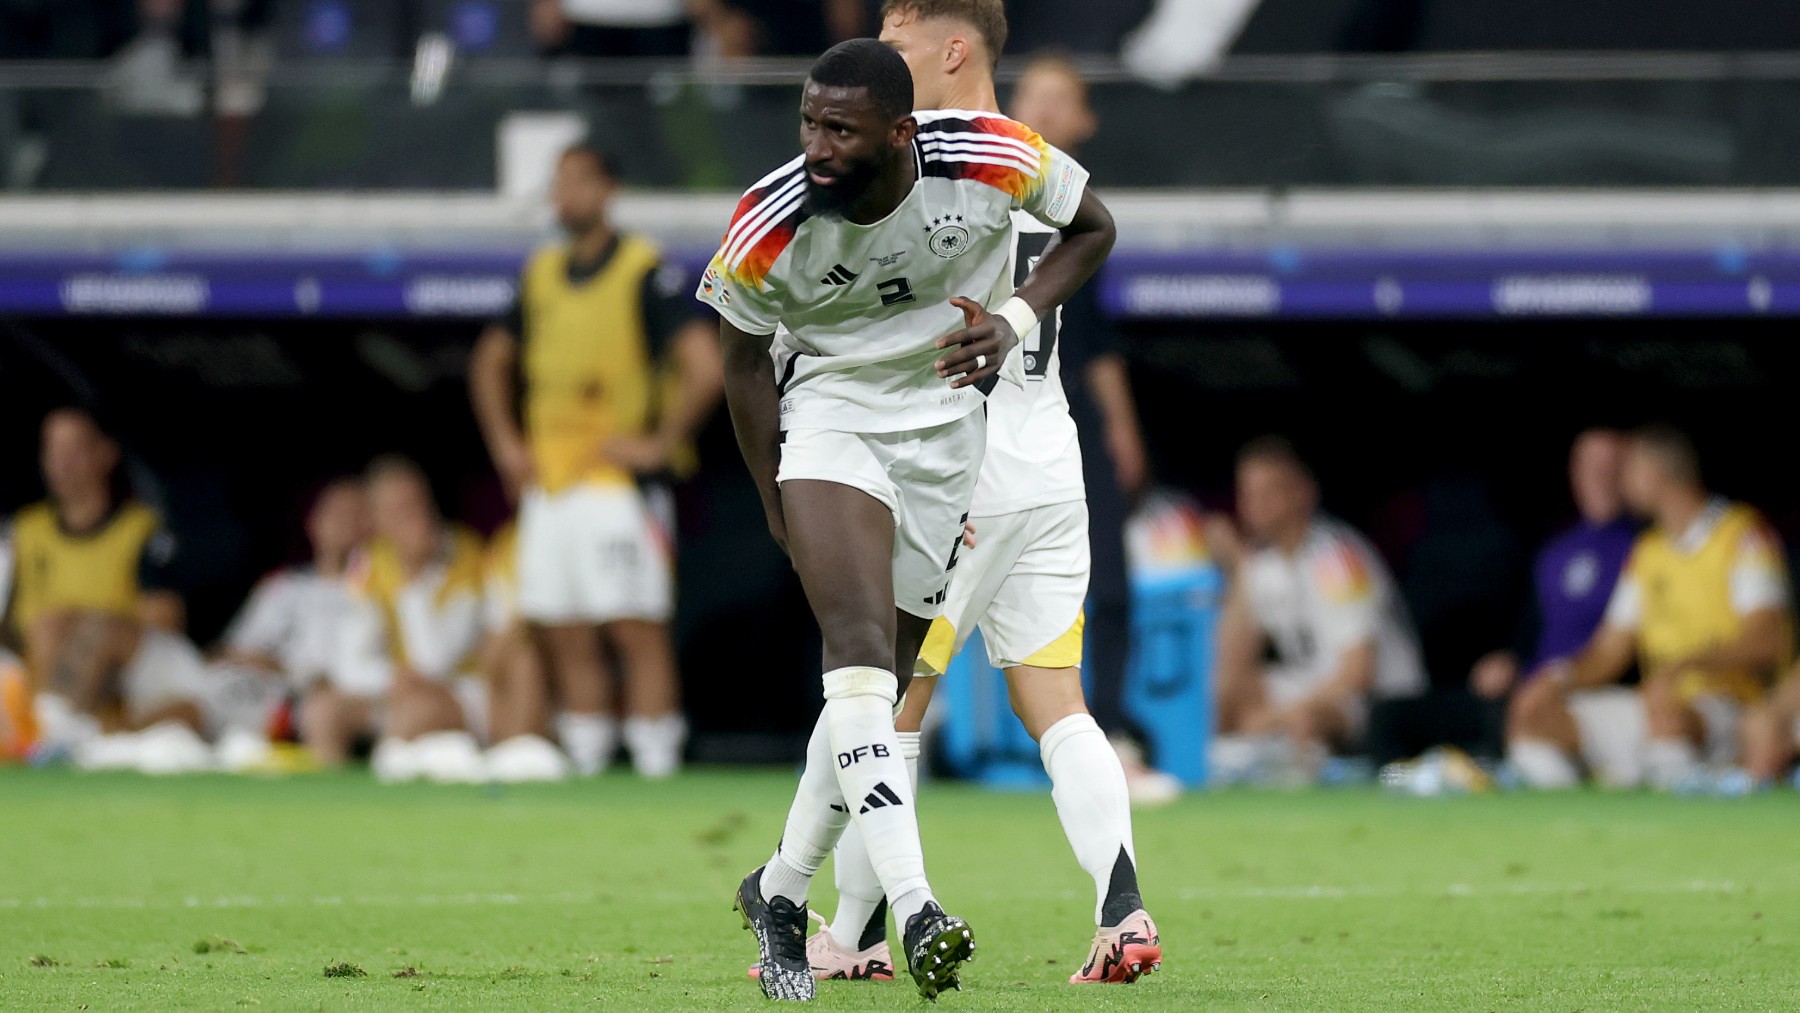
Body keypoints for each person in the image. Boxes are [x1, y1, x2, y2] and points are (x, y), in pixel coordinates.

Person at [696, 38, 1114, 1001]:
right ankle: (919, 904)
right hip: (831, 416)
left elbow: (1094, 228)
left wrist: (1011, 318)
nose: (817, 147)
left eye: (839, 129)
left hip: (943, 431)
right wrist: (775, 500)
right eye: (808, 123)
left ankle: (780, 885)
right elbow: (742, 363)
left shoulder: (992, 154)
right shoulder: (767, 220)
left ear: (899, 131)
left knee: (878, 689)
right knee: (859, 653)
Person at [779, 4, 1159, 990]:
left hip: (962, 467)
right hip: (1050, 461)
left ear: (953, 51)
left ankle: (850, 929)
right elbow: (1090, 238)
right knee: (1058, 705)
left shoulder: (932, 163)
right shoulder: (1038, 162)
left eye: (900, 48)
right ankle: (1123, 906)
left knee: (882, 703)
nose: (885, 68)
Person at [471, 142, 721, 780]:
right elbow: (489, 361)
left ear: (609, 189)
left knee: (633, 625)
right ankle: (587, 759)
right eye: (558, 183)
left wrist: (659, 443)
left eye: (580, 181)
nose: (566, 196)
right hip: (550, 484)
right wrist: (507, 444)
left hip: (616, 483)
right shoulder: (541, 274)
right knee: (563, 627)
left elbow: (704, 364)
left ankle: (656, 759)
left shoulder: (644, 270)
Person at [1010, 51, 1176, 801]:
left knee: (1104, 581)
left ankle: (1102, 730)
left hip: (1068, 410)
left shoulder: (1083, 210)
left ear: (1084, 121)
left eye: (1059, 99)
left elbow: (1098, 335)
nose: (1044, 110)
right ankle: (893, 738)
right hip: (985, 407)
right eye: (1032, 96)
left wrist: (1122, 425)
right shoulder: (975, 190)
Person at [1508, 426, 1793, 790]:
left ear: (1654, 473)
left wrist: (1683, 666)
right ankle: (1578, 824)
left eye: (1628, 469)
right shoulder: (1647, 552)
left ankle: (1686, 809)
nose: (1620, 482)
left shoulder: (1740, 535)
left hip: (1730, 707)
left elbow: (1767, 639)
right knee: (1536, 716)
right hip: (1660, 702)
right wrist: (1556, 678)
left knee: (1665, 710)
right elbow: (1610, 651)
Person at [6, 408, 212, 768]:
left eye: (75, 450)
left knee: (72, 625)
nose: (62, 464)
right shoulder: (24, 532)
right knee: (46, 627)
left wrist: (78, 620)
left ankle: (54, 733)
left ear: (106, 454)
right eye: (53, 451)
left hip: (124, 677)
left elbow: (165, 620)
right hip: (33, 685)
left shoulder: (142, 529)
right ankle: (53, 730)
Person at [1213, 436, 1428, 781]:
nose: (1255, 505)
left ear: (1302, 494)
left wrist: (1274, 717)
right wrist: (1239, 568)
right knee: (1229, 692)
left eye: (1269, 493)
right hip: (1316, 683)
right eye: (1248, 494)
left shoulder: (1337, 558)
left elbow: (1358, 673)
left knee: (1306, 721)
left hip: (1382, 700)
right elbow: (1231, 658)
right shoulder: (1264, 565)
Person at [1465, 430, 1645, 786]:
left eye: (1612, 467)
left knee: (1531, 714)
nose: (1600, 478)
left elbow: (1626, 647)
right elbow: (1530, 632)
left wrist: (1561, 679)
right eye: (1589, 466)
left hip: (1598, 687)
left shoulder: (1646, 548)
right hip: (1538, 687)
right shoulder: (1554, 553)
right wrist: (1509, 660)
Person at [304, 457, 491, 783]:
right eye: (396, 510)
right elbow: (349, 663)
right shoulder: (368, 564)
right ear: (375, 520)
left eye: (416, 503)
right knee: (321, 711)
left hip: (463, 695)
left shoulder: (465, 554)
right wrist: (390, 678)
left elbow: (436, 662)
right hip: (399, 691)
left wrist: (414, 576)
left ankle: (378, 805)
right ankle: (330, 802)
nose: (412, 517)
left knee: (415, 711)